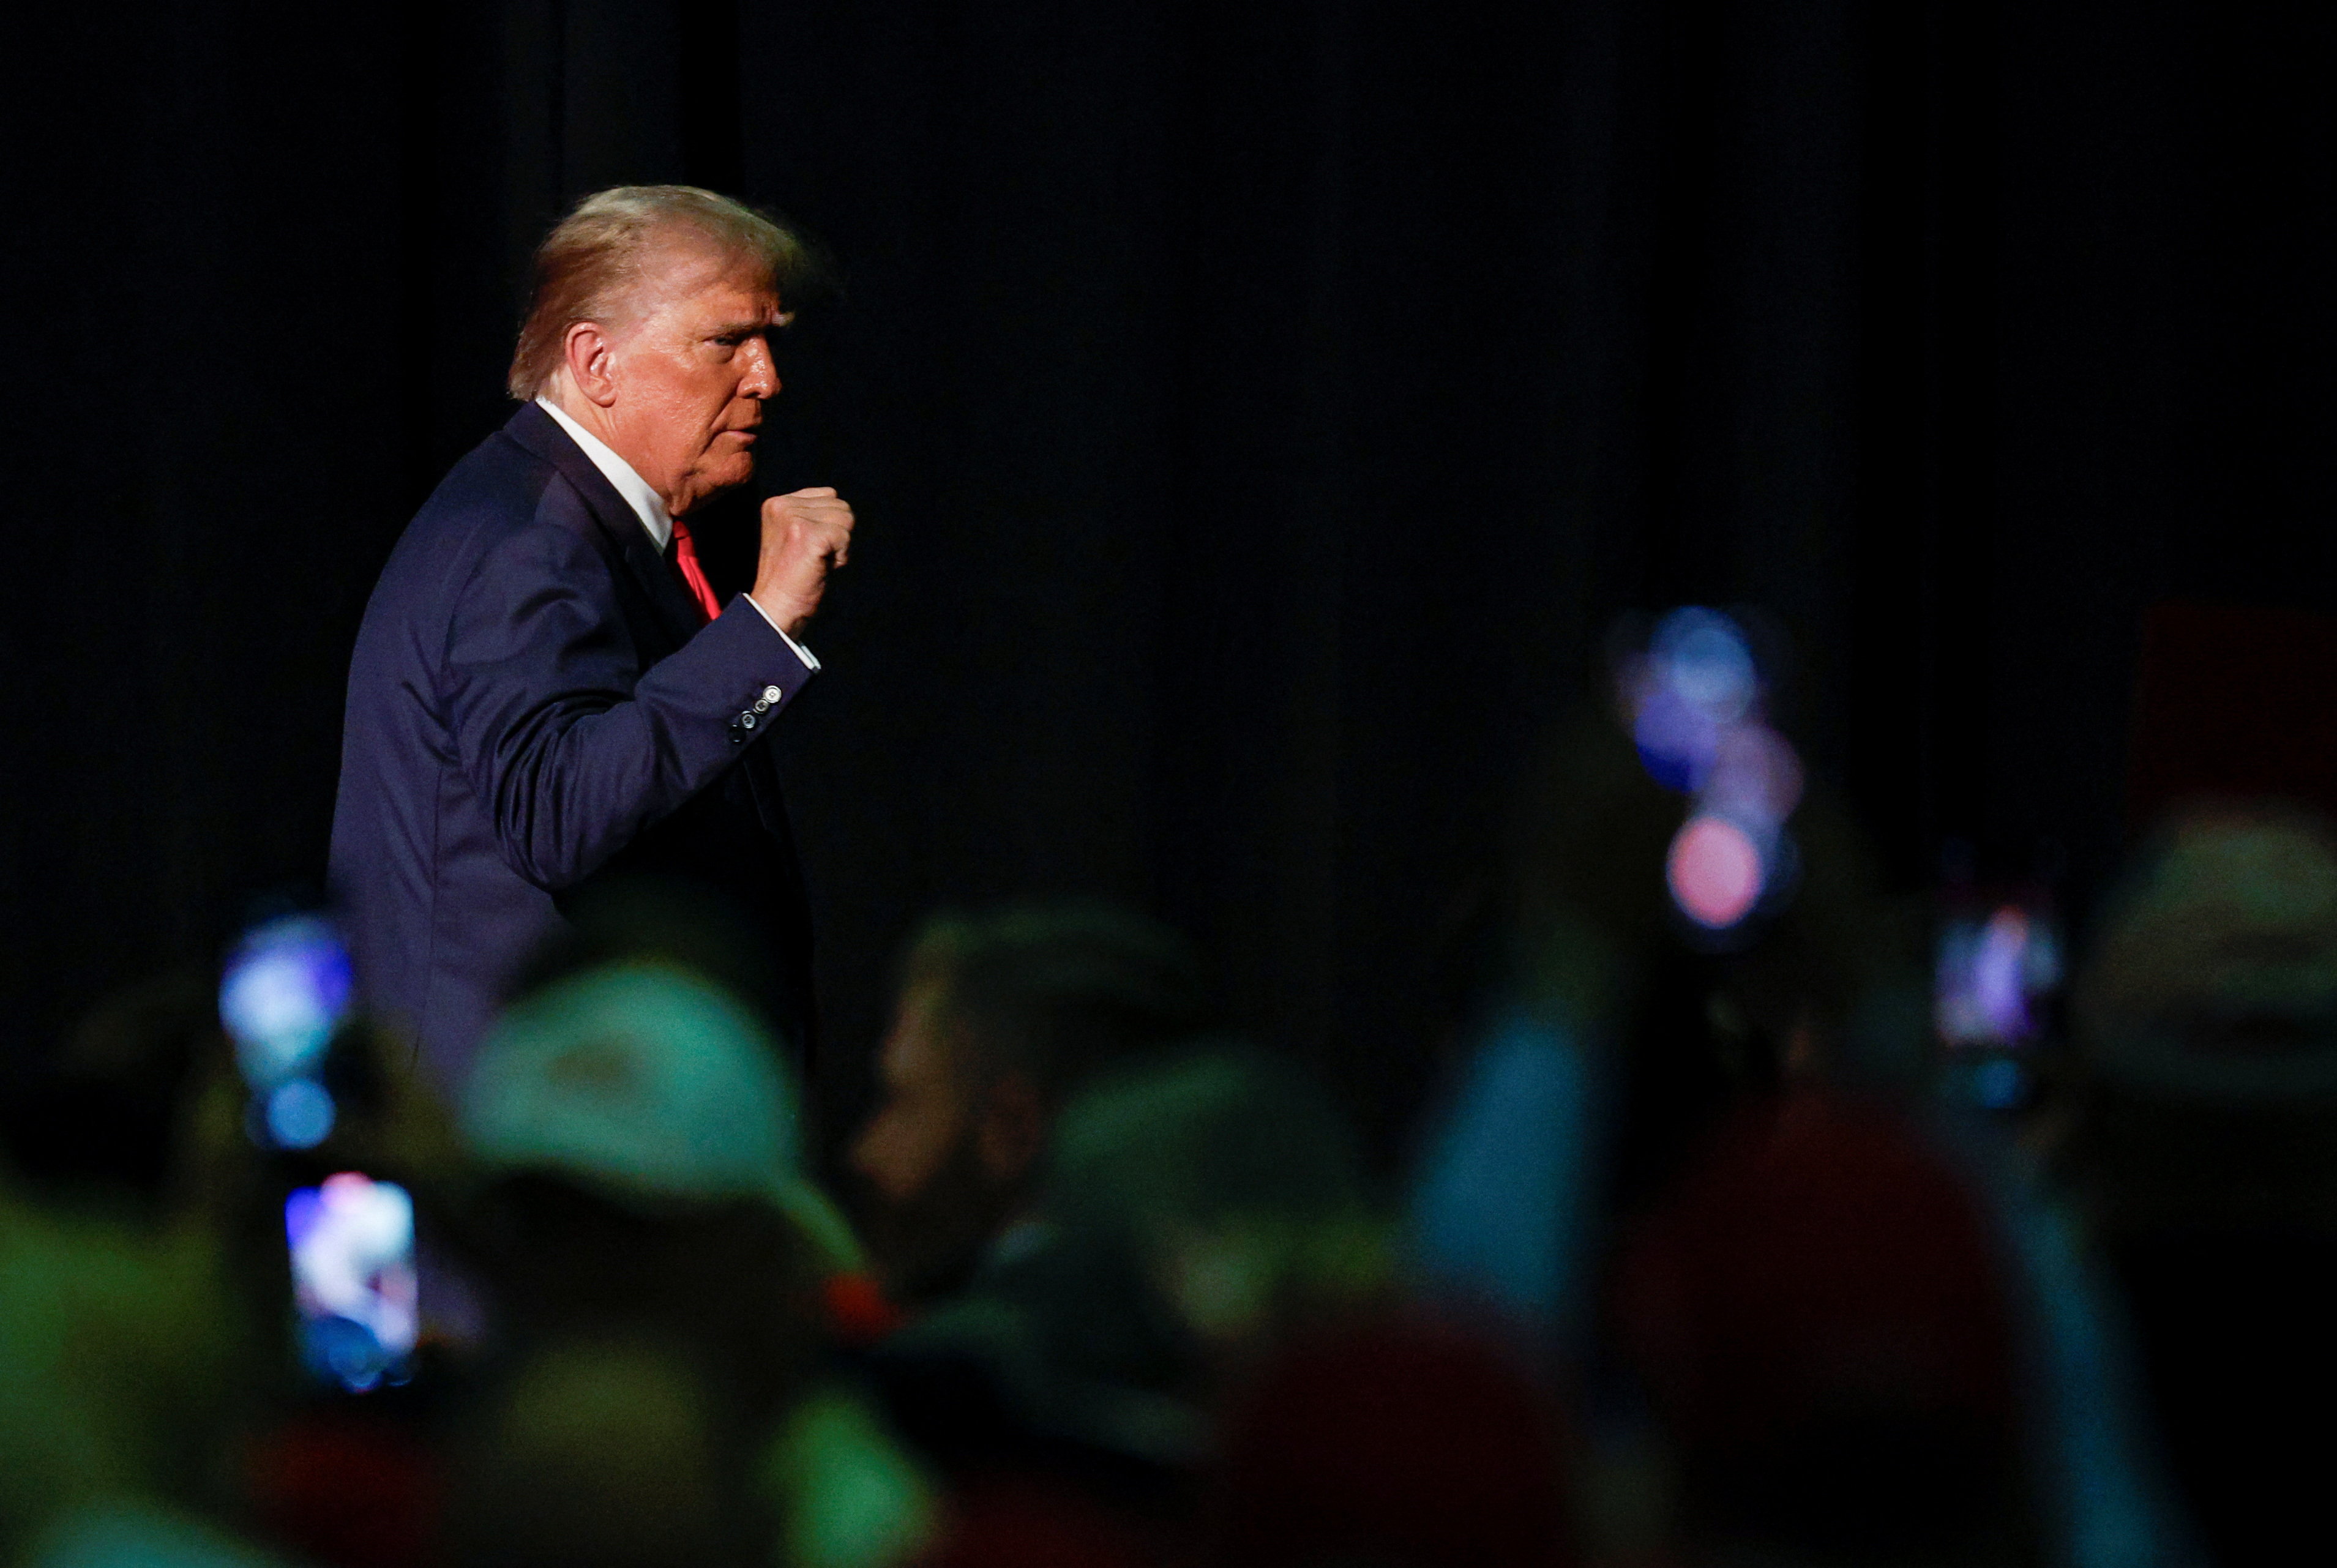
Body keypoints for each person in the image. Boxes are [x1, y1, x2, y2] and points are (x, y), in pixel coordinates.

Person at [330, 185, 854, 1089]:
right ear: (596, 361)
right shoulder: (531, 538)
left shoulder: (566, 514)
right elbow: (556, 813)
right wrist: (765, 629)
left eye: (770, 340)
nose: (766, 378)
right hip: (511, 1126)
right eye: (727, 341)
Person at [848, 902, 1211, 1307]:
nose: (864, 1153)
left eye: (903, 1107)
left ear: (1013, 1127)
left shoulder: (966, 1345)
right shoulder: (1221, 1334)